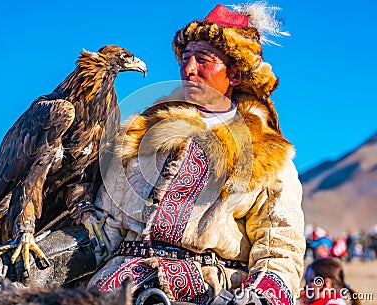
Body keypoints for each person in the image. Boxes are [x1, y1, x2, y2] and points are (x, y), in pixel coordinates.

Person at [88, 3, 306, 305]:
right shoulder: (138, 136)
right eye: (185, 58)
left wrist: (260, 297)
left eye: (202, 59)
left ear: (235, 74)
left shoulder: (267, 154)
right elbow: (103, 226)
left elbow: (280, 246)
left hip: (210, 293)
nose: (188, 69)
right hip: (114, 288)